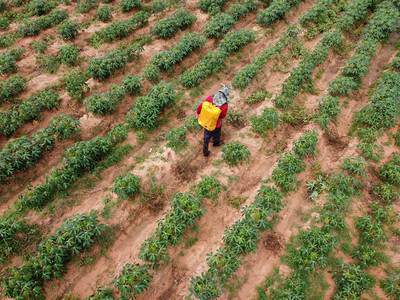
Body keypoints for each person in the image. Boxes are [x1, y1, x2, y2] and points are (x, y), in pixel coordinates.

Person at [197, 85, 231, 157]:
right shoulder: (224, 105)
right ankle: (216, 143)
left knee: (206, 136)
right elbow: (223, 116)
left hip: (207, 121)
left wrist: (198, 113)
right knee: (216, 134)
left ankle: (205, 152)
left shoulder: (211, 97)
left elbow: (201, 105)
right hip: (216, 123)